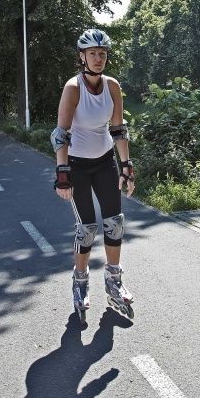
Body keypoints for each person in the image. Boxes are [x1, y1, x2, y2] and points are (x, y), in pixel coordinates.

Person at [52, 28, 135, 322]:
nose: (98, 58)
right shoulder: (73, 88)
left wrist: (125, 166)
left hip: (103, 161)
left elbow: (118, 130)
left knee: (114, 224)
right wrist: (62, 173)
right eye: (92, 54)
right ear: (82, 57)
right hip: (76, 164)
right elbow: (60, 134)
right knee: (87, 228)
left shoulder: (112, 86)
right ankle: (80, 281)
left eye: (102, 53)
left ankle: (114, 281)